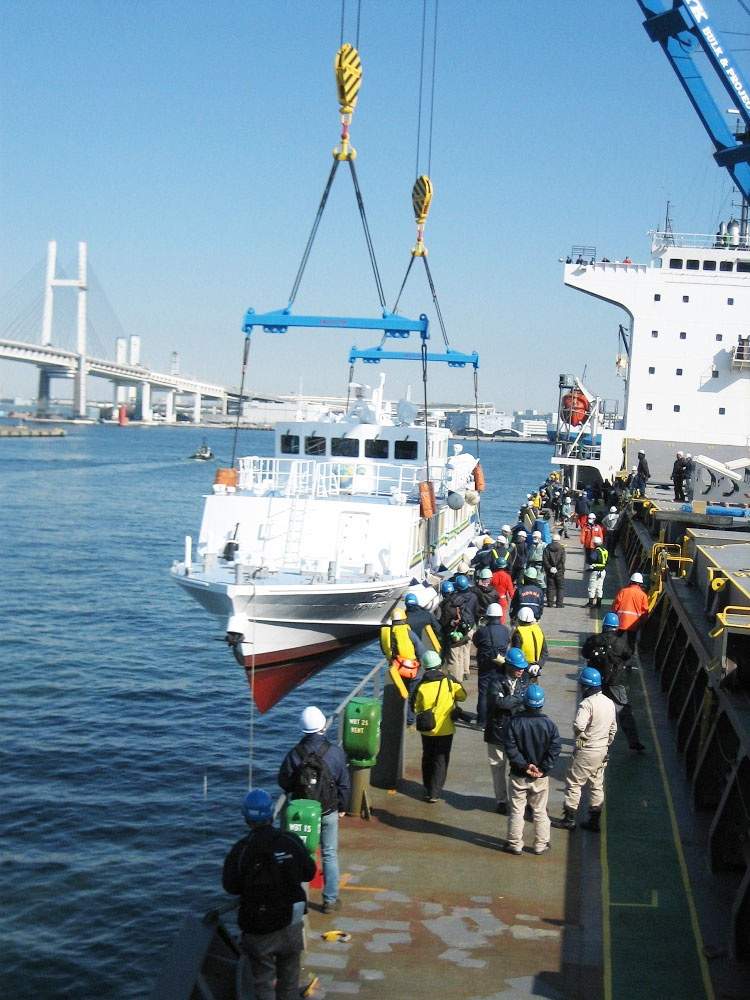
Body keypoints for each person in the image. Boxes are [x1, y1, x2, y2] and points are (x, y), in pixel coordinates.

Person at [222, 788, 316, 1000]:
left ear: (247, 819)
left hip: (259, 930)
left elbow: (231, 886)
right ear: (272, 814)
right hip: (291, 924)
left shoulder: (242, 850)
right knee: (289, 983)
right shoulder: (290, 841)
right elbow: (309, 872)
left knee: (263, 984)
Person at [277, 706, 350, 914]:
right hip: (327, 811)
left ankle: (300, 903)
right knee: (329, 853)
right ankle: (330, 900)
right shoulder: (335, 752)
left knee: (300, 854)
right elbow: (344, 783)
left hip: (303, 815)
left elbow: (283, 780)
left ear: (303, 729)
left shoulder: (294, 754)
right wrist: (342, 807)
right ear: (322, 727)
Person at [552, 667, 617, 832]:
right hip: (602, 751)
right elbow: (613, 729)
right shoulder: (609, 703)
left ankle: (569, 819)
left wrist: (581, 737)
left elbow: (579, 725)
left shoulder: (586, 704)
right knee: (596, 785)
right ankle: (594, 820)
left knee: (574, 783)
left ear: (586, 687)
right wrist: (606, 743)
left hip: (587, 750)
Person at [503, 685, 562, 855]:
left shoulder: (514, 723)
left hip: (518, 775)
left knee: (517, 810)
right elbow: (555, 747)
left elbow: (510, 747)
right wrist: (542, 768)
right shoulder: (549, 725)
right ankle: (540, 845)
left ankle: (514, 844)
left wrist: (524, 765)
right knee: (540, 811)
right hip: (540, 777)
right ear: (541, 703)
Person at [582, 612, 644, 751]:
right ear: (616, 628)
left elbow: (585, 653)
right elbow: (628, 654)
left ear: (604, 626)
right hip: (614, 682)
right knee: (624, 710)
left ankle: (584, 738)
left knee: (588, 709)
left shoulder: (594, 640)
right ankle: (633, 741)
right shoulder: (620, 643)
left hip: (594, 683)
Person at [412, 655, 467, 802]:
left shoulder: (421, 685)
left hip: (427, 728)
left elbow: (415, 707)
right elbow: (463, 696)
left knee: (427, 756)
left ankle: (428, 786)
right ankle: (435, 792)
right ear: (439, 665)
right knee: (441, 759)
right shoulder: (449, 681)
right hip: (445, 728)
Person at [483, 647, 528, 814]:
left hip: (517, 731)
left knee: (520, 766)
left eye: (522, 667)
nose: (521, 670)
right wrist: (519, 698)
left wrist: (511, 700)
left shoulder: (525, 679)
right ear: (508, 665)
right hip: (498, 730)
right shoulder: (495, 679)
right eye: (518, 667)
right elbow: (499, 703)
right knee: (498, 767)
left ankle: (522, 799)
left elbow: (526, 703)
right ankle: (501, 800)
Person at [380, 607, 426, 727]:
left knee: (397, 694)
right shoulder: (409, 632)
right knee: (412, 694)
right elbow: (420, 650)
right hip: (411, 669)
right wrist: (420, 663)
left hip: (395, 669)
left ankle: (395, 719)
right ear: (404, 619)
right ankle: (410, 719)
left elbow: (384, 650)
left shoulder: (386, 632)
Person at [472, 602, 511, 728]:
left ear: (488, 616)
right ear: (500, 616)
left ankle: (481, 722)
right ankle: (497, 719)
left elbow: (476, 642)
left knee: (483, 692)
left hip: (484, 664)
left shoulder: (482, 631)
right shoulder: (506, 631)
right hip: (500, 665)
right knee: (499, 692)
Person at [612, 572, 649, 651]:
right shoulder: (643, 595)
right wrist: (642, 622)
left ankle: (613, 652)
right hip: (633, 624)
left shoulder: (623, 591)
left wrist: (614, 615)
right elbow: (645, 611)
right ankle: (629, 656)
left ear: (631, 581)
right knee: (631, 641)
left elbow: (616, 604)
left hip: (621, 621)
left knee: (615, 640)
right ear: (640, 583)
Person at [510, 606, 548, 678]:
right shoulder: (538, 630)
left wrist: (529, 667)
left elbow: (516, 655)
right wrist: (538, 665)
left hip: (521, 670)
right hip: (535, 670)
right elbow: (545, 652)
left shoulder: (518, 634)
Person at [542, 532, 566, 607]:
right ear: (559, 540)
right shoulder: (562, 549)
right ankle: (559, 603)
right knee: (560, 587)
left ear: (552, 540)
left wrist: (550, 568)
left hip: (549, 571)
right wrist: (557, 568)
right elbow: (562, 561)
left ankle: (550, 603)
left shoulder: (547, 548)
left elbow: (545, 559)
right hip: (559, 571)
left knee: (550, 586)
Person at [490, 558, 515, 623]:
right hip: (503, 599)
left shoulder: (492, 576)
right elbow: (511, 591)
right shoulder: (507, 576)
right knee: (502, 617)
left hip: (493, 598)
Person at [585, 542, 609, 608]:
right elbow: (607, 561)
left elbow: (592, 558)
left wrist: (592, 564)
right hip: (603, 571)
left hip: (596, 571)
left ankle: (590, 602)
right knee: (599, 587)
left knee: (592, 587)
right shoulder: (605, 550)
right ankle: (599, 603)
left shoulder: (596, 551)